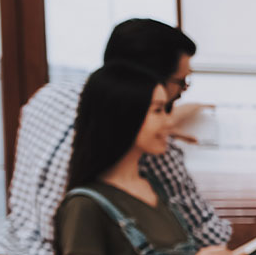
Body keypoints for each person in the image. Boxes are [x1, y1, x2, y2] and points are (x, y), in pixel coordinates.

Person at [4, 19, 256, 254]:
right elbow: (210, 236)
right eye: (178, 85)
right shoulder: (97, 199)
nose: (182, 94)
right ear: (143, 87)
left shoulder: (46, 99)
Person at [50, 64, 229, 255]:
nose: (169, 122)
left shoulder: (156, 188)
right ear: (123, 115)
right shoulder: (83, 206)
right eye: (158, 110)